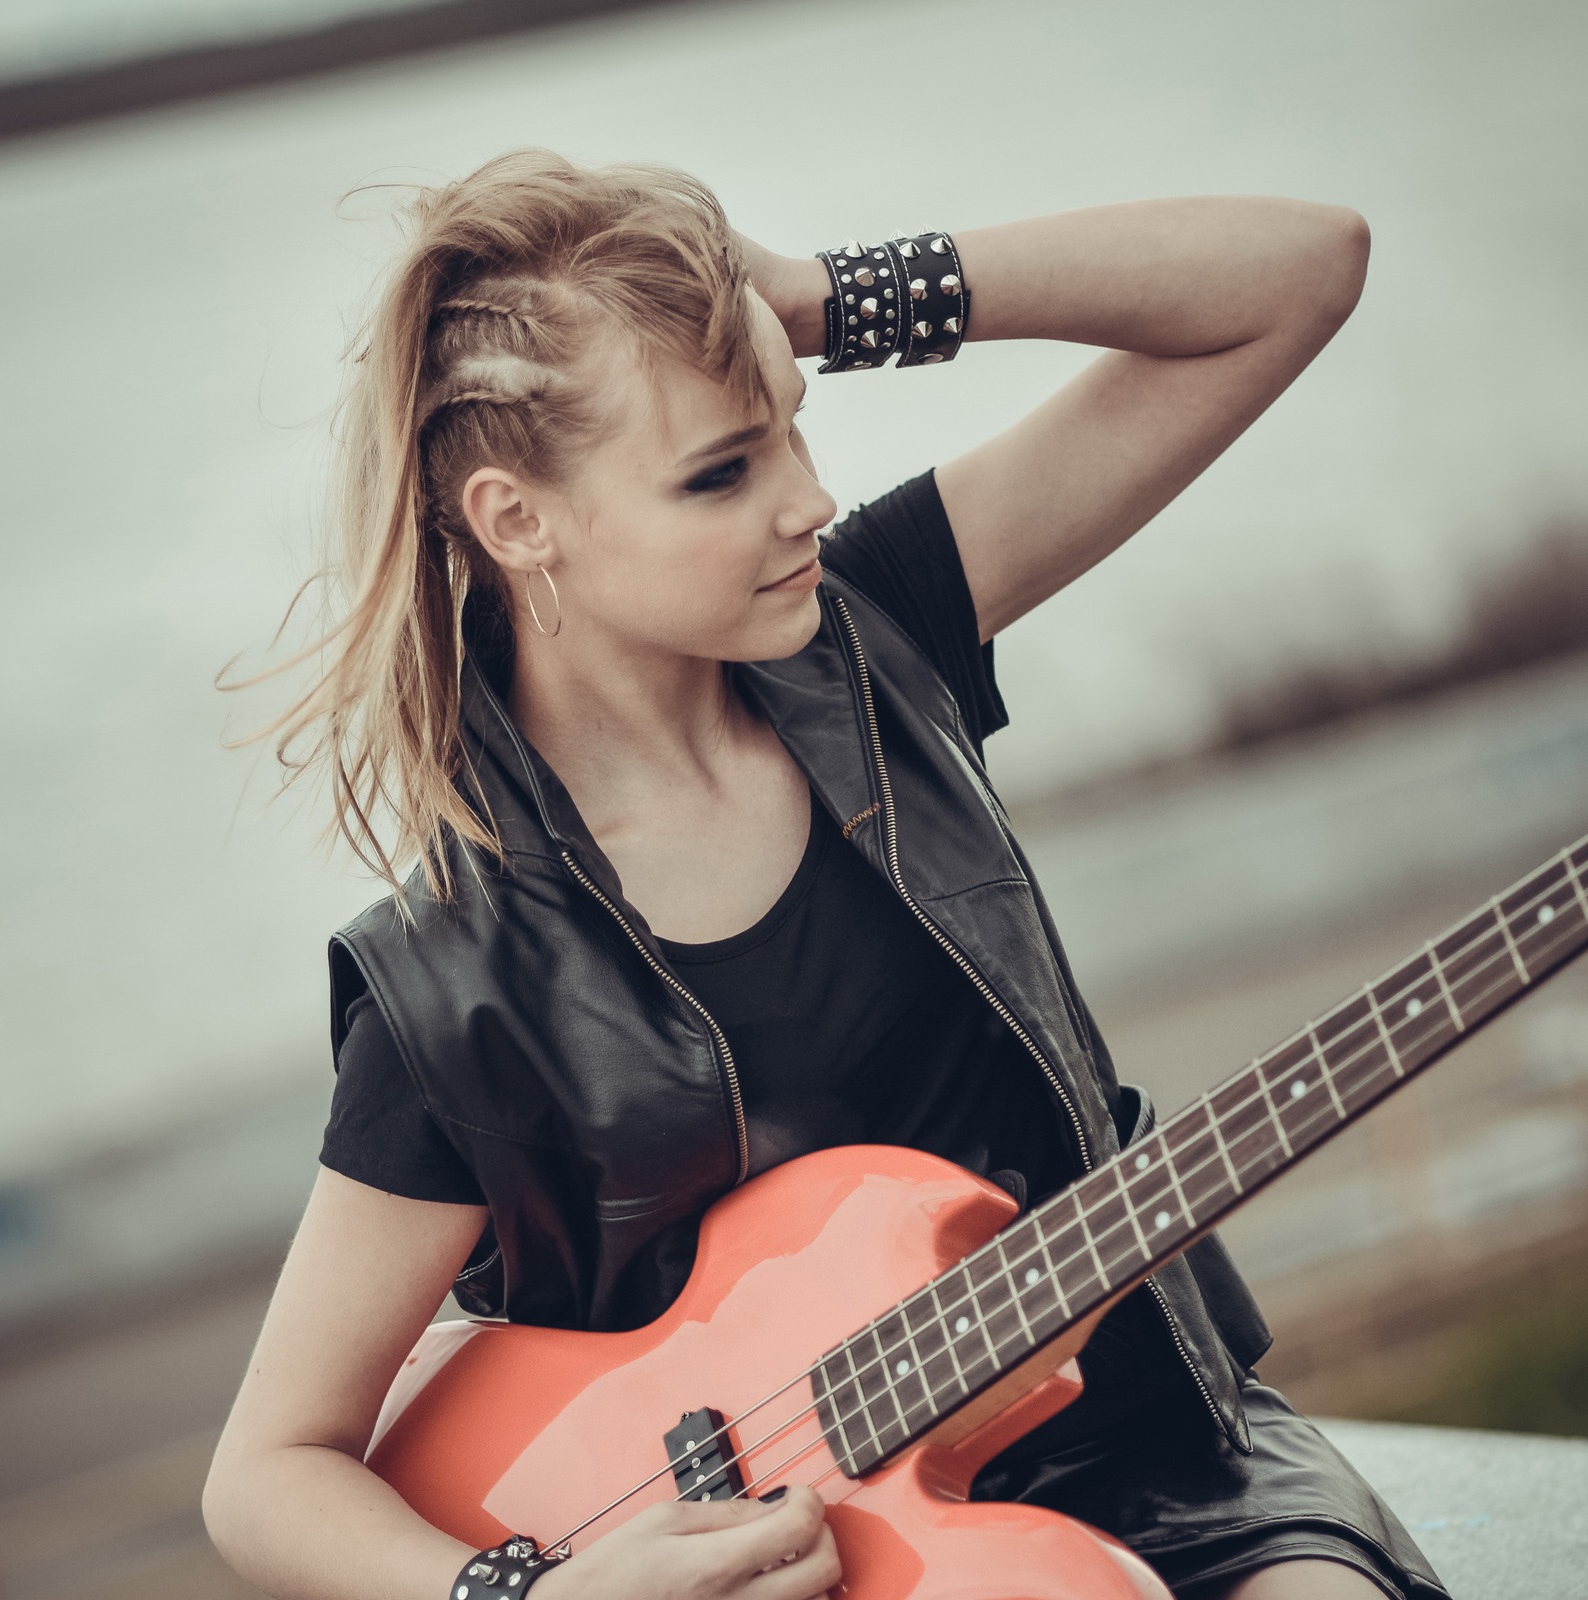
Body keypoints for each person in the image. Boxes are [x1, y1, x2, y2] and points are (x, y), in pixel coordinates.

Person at [203, 149, 1443, 1600]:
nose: (808, 498)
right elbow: (268, 1471)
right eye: (723, 471)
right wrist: (533, 1595)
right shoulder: (455, 987)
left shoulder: (880, 630)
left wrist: (828, 300)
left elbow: (1304, 269)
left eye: (794, 431)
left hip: (1167, 1459)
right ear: (519, 521)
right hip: (834, 1574)